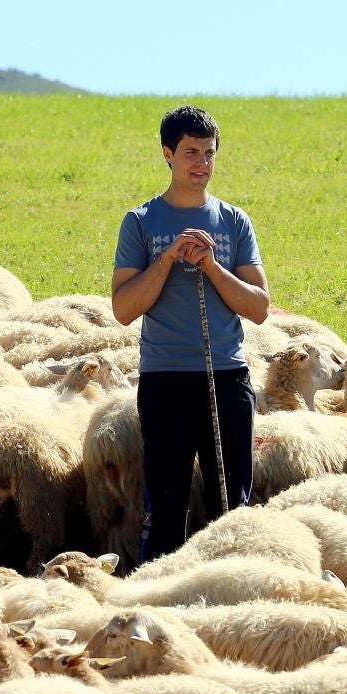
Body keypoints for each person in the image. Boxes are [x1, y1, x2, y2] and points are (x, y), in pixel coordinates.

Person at [111, 105, 271, 566]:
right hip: (165, 379)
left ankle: (233, 596)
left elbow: (258, 307)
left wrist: (210, 265)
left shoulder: (234, 222)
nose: (201, 163)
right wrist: (167, 260)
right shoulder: (140, 222)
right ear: (168, 154)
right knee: (166, 505)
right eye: (190, 153)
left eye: (208, 153)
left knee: (232, 504)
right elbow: (124, 309)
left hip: (227, 376)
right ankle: (159, 596)